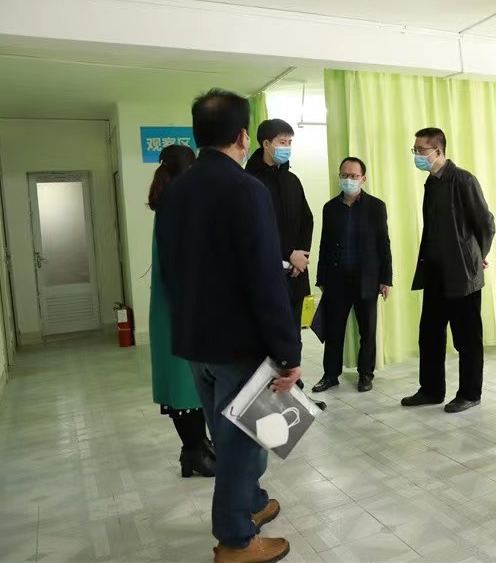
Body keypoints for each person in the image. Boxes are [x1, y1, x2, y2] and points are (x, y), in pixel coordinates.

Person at [156, 89, 302, 562]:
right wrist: (288, 352)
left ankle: (252, 503)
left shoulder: (176, 191)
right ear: (243, 136)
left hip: (196, 342)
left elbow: (171, 271)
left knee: (234, 433)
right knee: (242, 443)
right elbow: (264, 278)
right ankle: (236, 540)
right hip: (239, 345)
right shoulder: (246, 189)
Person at [402, 128, 495, 413]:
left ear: (438, 151)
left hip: (463, 275)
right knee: (429, 334)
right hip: (435, 273)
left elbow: (486, 223)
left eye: (421, 150)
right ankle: (431, 390)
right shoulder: (432, 182)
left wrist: (477, 256)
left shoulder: (463, 180)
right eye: (415, 150)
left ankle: (470, 393)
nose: (417, 155)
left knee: (467, 338)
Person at [147, 144, 215, 479]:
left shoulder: (171, 204)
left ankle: (196, 448)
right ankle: (194, 451)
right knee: (185, 384)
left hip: (175, 309)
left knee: (185, 383)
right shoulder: (177, 208)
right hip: (182, 309)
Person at [312, 157, 393, 394]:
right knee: (334, 330)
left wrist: (385, 279)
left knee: (367, 331)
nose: (349, 179)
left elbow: (384, 244)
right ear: (339, 176)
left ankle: (365, 375)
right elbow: (324, 245)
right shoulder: (330, 208)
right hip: (337, 279)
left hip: (367, 279)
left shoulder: (376, 206)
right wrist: (321, 278)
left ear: (363, 179)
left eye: (354, 176)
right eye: (344, 175)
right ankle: (330, 375)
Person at [245, 119, 314, 335]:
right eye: (282, 142)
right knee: (267, 335)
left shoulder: (292, 181)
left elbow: (307, 220)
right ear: (266, 144)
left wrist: (300, 256)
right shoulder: (250, 182)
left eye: (289, 143)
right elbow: (256, 227)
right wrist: (288, 253)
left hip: (295, 273)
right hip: (265, 271)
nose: (287, 147)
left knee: (294, 335)